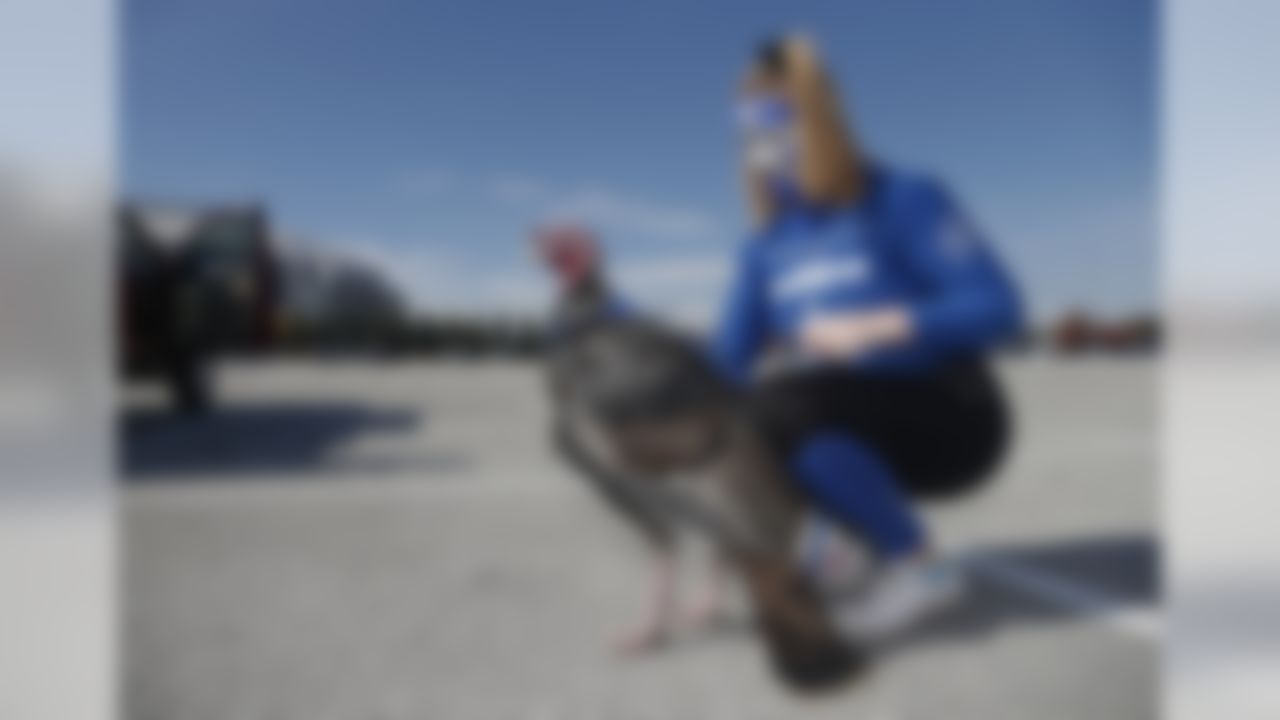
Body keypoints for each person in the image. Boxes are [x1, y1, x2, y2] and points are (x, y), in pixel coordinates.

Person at [712, 36, 1023, 642]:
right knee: (739, 428)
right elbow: (725, 362)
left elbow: (999, 306)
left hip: (951, 411)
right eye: (752, 138)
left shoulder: (902, 197)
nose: (764, 152)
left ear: (819, 123)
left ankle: (899, 565)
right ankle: (868, 562)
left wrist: (877, 325)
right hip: (837, 423)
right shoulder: (764, 248)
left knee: (783, 404)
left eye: (777, 130)